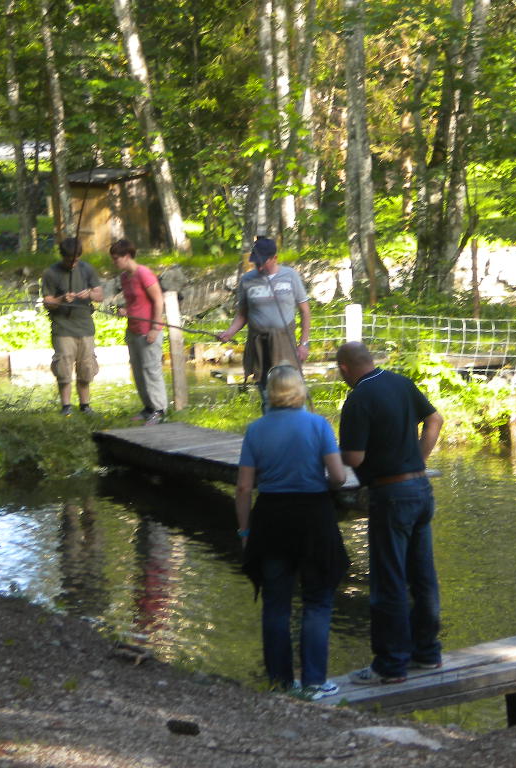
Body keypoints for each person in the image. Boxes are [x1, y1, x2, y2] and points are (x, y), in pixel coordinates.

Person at [235, 364, 348, 699]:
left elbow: (243, 488)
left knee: (275, 603)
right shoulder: (318, 425)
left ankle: (280, 681)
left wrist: (244, 533)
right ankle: (314, 681)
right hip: (313, 517)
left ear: (270, 392)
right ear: (300, 390)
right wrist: (320, 482)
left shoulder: (255, 430)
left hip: (271, 519)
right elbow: (339, 477)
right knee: (317, 600)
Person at [336, 341, 444, 685]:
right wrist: (418, 459)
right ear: (371, 361)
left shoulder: (357, 399)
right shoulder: (401, 383)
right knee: (422, 576)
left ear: (344, 369)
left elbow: (353, 459)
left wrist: (326, 454)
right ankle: (427, 653)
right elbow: (435, 419)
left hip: (390, 495)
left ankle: (390, 665)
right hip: (421, 490)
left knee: (389, 581)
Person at [216, 237, 311, 400]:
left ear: (275, 258)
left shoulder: (290, 276)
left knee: (291, 387)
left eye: (262, 262)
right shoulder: (247, 280)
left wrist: (303, 344)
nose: (259, 266)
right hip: (259, 342)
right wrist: (229, 332)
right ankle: (270, 419)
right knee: (266, 391)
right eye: (256, 263)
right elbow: (242, 314)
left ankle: (295, 421)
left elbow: (305, 311)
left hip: (284, 342)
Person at [41, 237, 103, 415]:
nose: (74, 262)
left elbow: (100, 295)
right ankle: (66, 406)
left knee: (86, 366)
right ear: (63, 256)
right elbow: (47, 301)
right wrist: (61, 299)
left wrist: (89, 294)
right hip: (63, 328)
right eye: (70, 259)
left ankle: (85, 406)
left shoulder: (87, 269)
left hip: (85, 327)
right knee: (63, 366)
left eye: (77, 259)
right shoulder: (51, 273)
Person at [110, 239, 167, 426]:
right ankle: (148, 407)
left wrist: (154, 327)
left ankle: (159, 410)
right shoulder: (125, 277)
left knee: (151, 370)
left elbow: (158, 300)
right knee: (138, 371)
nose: (114, 262)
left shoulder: (144, 273)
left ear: (127, 256)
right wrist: (125, 311)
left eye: (116, 258)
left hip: (148, 331)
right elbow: (134, 302)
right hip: (133, 330)